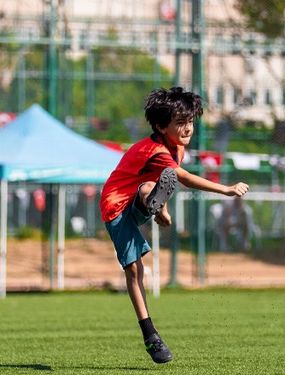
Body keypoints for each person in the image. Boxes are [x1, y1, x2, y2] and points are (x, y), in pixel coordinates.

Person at [99, 87, 249, 364]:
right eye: (180, 123)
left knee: (149, 187)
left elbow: (162, 178)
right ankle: (150, 335)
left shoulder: (175, 148)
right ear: (160, 126)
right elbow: (184, 178)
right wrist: (226, 189)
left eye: (190, 121)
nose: (187, 127)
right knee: (134, 270)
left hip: (139, 198)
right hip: (116, 206)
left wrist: (162, 209)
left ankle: (151, 205)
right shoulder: (156, 150)